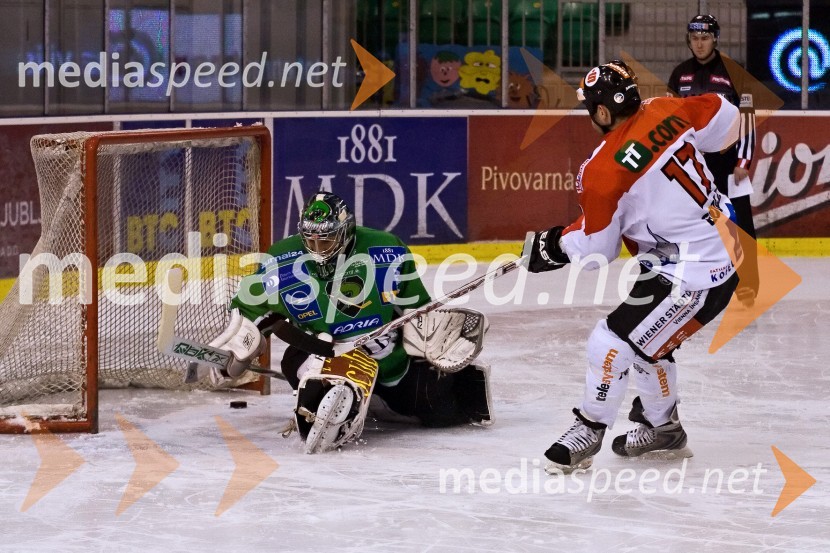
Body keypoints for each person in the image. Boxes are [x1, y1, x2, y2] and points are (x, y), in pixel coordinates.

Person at [523, 60, 741, 473]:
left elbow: (596, 251)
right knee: (648, 342)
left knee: (608, 343)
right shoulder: (666, 108)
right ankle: (663, 430)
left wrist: (554, 247)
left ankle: (589, 428)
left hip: (692, 275)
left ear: (602, 112)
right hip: (716, 251)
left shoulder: (602, 169)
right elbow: (726, 116)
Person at [202, 191, 492, 453]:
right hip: (319, 352)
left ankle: (382, 399)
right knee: (313, 388)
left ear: (346, 232)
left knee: (438, 410)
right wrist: (236, 349)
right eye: (310, 239)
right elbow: (251, 312)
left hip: (386, 356)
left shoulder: (386, 250)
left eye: (326, 239)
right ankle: (336, 396)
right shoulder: (281, 259)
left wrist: (433, 337)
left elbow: (417, 309)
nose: (318, 248)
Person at [668, 14, 758, 306]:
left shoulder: (735, 72)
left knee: (740, 222)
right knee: (694, 223)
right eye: (694, 38)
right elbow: (669, 122)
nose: (699, 43)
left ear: (715, 38)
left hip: (728, 161)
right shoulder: (679, 74)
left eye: (705, 38)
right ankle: (696, 282)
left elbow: (747, 119)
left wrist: (743, 161)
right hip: (693, 165)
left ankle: (749, 284)